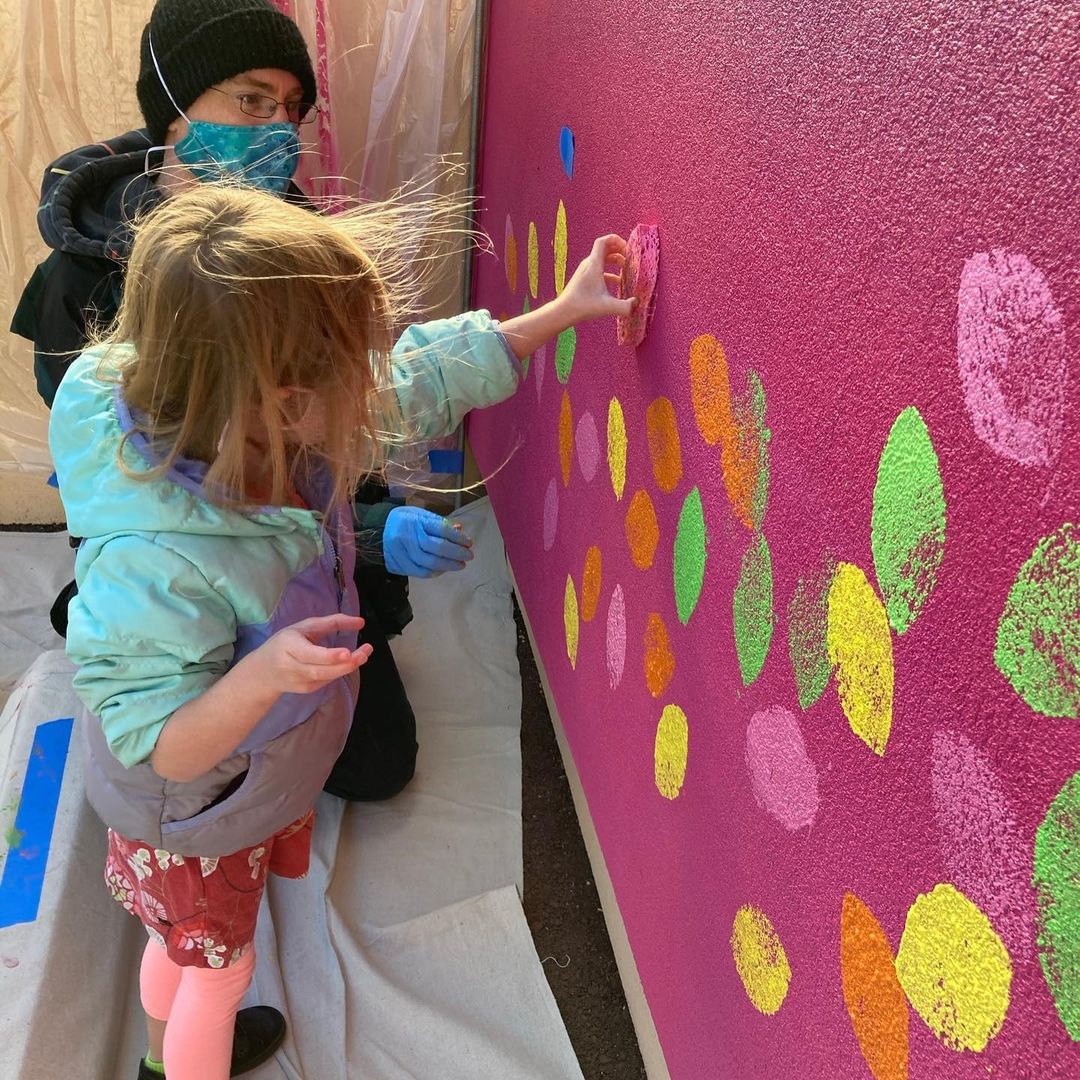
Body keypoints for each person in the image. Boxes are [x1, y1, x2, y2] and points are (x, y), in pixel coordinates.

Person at [50, 181, 633, 1079]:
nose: (372, 386)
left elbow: (412, 383)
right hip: (193, 806)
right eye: (349, 371)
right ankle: (182, 1061)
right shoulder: (158, 560)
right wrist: (264, 676)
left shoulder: (235, 408)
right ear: (283, 403)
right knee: (217, 966)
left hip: (233, 785)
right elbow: (157, 740)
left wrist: (564, 311)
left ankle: (165, 1044)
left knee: (179, 952)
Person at [10, 0, 458, 807]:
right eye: (251, 100)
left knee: (375, 765)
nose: (278, 128)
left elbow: (337, 407)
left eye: (292, 108)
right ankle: (112, 615)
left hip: (295, 521)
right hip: (187, 533)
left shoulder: (295, 236)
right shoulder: (81, 283)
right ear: (173, 108)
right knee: (190, 728)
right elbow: (133, 482)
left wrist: (364, 524)